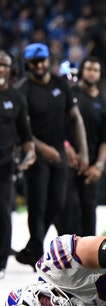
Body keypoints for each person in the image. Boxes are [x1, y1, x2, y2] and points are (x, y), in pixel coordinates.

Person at [14, 43, 89, 270]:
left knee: (57, 202)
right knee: (37, 205)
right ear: (27, 64)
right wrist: (41, 148)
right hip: (35, 153)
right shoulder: (22, 90)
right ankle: (35, 251)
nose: (39, 65)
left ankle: (33, 249)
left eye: (42, 60)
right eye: (34, 62)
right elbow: (19, 127)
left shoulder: (60, 85)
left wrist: (83, 151)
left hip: (58, 151)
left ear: (48, 60)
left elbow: (76, 118)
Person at [55, 56, 106, 236]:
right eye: (88, 69)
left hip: (91, 166)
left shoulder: (103, 104)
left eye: (96, 70)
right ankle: (65, 252)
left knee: (89, 208)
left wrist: (99, 166)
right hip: (68, 161)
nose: (92, 73)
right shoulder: (71, 94)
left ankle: (89, 257)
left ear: (100, 74)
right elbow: (56, 126)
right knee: (66, 207)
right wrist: (65, 146)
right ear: (82, 71)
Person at [0, 50, 36, 280]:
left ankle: (1, 260)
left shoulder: (17, 98)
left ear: (11, 70)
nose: (0, 69)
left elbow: (26, 135)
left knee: (3, 212)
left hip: (4, 164)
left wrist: (30, 152)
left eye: (3, 65)